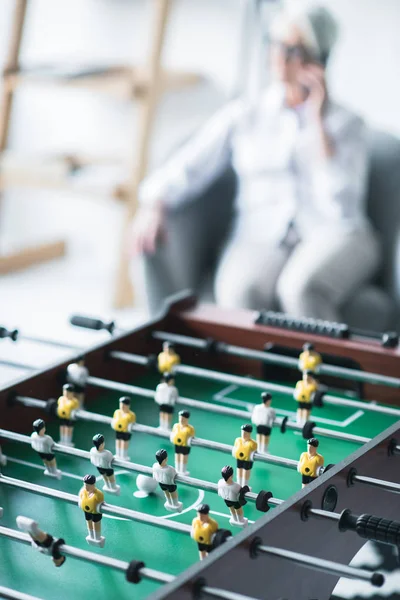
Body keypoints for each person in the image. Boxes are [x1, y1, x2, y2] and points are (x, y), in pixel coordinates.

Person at [130, 3, 380, 320]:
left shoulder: (347, 124)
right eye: (275, 45)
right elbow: (190, 164)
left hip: (333, 232)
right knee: (239, 291)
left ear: (318, 60)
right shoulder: (245, 114)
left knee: (298, 288)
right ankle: (257, 370)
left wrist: (319, 126)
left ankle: (324, 371)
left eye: (294, 49)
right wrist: (154, 202)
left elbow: (341, 207)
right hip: (261, 233)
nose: (279, 57)